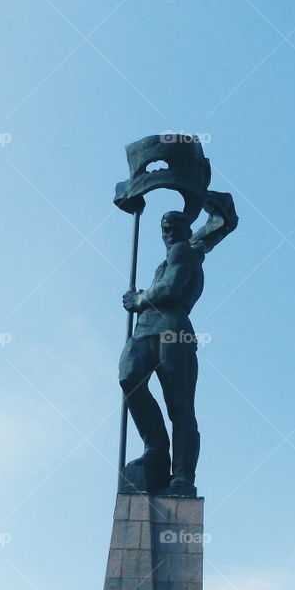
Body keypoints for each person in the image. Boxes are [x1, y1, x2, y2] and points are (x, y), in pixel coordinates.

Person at [120, 211, 205, 496]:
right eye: (165, 226)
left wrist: (140, 299)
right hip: (145, 331)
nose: (169, 230)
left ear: (186, 229)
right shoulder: (170, 258)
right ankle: (156, 448)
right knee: (129, 378)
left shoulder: (185, 251)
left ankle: (182, 473)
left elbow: (170, 288)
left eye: (175, 225)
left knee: (179, 406)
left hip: (172, 330)